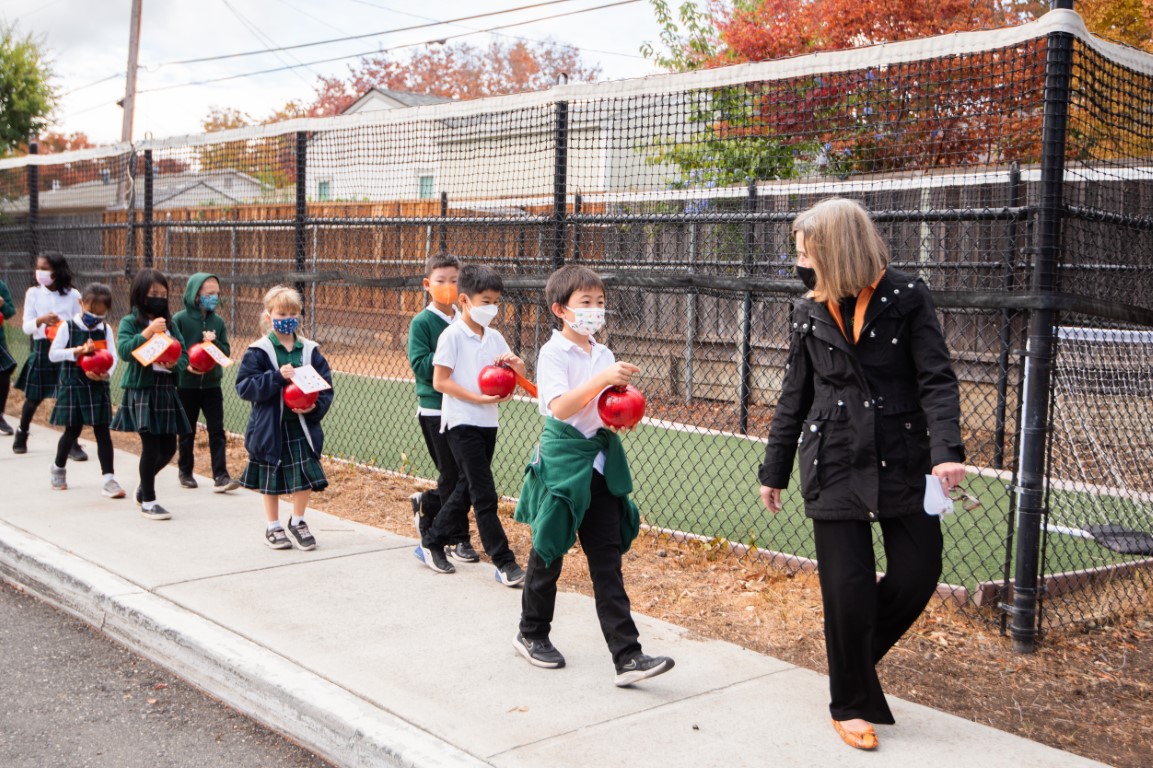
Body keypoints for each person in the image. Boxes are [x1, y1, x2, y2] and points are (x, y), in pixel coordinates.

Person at [757, 198, 966, 751]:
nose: (800, 263)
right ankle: (849, 700)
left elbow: (937, 380)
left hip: (905, 456)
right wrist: (773, 468)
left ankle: (848, 662)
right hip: (834, 459)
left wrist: (947, 449)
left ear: (836, 250)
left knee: (918, 574)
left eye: (806, 252)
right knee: (846, 587)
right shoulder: (808, 309)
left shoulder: (907, 296)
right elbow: (793, 395)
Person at [513, 264, 675, 687]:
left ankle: (628, 656)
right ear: (560, 309)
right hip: (563, 465)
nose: (595, 311)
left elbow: (601, 411)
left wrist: (621, 409)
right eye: (586, 303)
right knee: (548, 553)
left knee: (607, 563)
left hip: (600, 467)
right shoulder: (553, 354)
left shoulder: (601, 353)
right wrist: (602, 379)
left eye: (600, 303)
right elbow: (559, 408)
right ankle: (531, 634)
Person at [416, 264, 526, 586]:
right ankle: (504, 562)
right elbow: (440, 381)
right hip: (461, 422)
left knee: (466, 488)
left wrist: (517, 370)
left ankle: (432, 540)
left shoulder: (495, 338)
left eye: (496, 301)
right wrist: (475, 399)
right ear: (464, 300)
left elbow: (507, 381)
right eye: (485, 301)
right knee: (484, 493)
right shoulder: (451, 336)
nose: (492, 308)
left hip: (487, 422)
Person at [236, 286, 334, 551]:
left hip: (302, 426)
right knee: (272, 478)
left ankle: (298, 520)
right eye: (282, 312)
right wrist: (277, 377)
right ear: (269, 316)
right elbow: (244, 386)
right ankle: (273, 526)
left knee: (304, 475)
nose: (288, 317)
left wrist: (312, 409)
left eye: (293, 313)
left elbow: (325, 387)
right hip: (271, 428)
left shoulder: (310, 350)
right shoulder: (259, 350)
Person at [406, 253, 478, 563]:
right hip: (436, 409)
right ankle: (458, 538)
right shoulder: (422, 322)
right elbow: (421, 365)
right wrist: (450, 362)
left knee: (464, 475)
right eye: (441, 281)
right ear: (427, 285)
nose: (448, 286)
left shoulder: (467, 319)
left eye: (454, 281)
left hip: (464, 407)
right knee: (453, 474)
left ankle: (430, 504)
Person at [111, 268, 192, 520]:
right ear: (140, 294)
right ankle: (149, 500)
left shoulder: (171, 323)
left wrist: (173, 364)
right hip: (143, 389)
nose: (159, 298)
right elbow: (124, 351)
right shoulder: (130, 322)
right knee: (150, 446)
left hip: (166, 389)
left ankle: (143, 487)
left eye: (163, 293)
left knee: (168, 448)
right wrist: (147, 332)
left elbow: (184, 356)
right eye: (153, 293)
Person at [47, 282, 125, 499]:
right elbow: (54, 354)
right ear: (81, 304)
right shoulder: (68, 327)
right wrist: (77, 351)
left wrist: (105, 373)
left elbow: (113, 356)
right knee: (72, 431)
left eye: (101, 314)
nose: (95, 317)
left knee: (103, 432)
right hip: (73, 385)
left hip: (97, 385)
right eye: (91, 311)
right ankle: (58, 467)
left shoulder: (105, 329)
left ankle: (109, 479)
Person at [172, 272, 239, 493]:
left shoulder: (217, 322)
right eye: (209, 293)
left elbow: (226, 352)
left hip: (211, 385)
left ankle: (220, 475)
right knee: (187, 429)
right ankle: (185, 471)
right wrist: (184, 366)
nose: (214, 297)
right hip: (187, 385)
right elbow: (174, 349)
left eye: (217, 293)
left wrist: (215, 341)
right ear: (195, 294)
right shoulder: (180, 320)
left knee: (216, 430)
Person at [13, 252, 85, 457]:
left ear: (58, 270)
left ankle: (72, 442)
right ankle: (22, 432)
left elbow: (79, 322)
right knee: (34, 397)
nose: (40, 272)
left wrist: (64, 326)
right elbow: (26, 327)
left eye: (45, 268)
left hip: (65, 348)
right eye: (38, 268)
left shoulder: (73, 295)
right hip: (43, 348)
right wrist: (40, 320)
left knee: (69, 395)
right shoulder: (33, 293)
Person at [0, 276, 16, 436]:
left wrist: (3, 304)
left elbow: (11, 311)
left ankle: (0, 414)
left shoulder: (1, 286)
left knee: (4, 374)